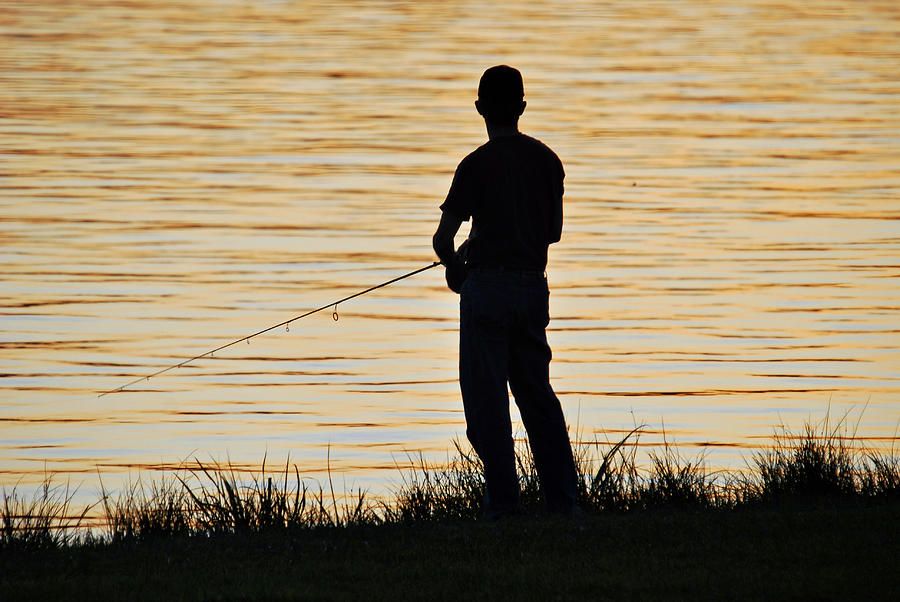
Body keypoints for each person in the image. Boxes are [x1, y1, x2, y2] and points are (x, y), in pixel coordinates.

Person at [432, 65, 579, 519]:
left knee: (486, 403)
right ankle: (563, 504)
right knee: (538, 398)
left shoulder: (475, 165)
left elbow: (441, 240)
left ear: (480, 109)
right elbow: (552, 233)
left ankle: (504, 505)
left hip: (488, 293)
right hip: (534, 289)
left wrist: (458, 267)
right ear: (521, 108)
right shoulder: (548, 161)